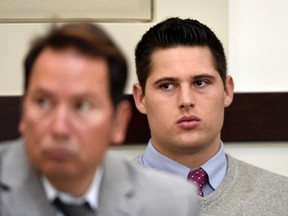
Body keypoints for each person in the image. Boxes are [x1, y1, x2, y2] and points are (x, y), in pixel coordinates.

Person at [0, 22, 200, 216]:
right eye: (43, 102)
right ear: (24, 110)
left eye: (82, 106)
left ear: (118, 122)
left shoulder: (172, 204)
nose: (59, 128)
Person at [132, 17, 288, 215]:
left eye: (200, 82)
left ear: (227, 91)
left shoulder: (282, 199)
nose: (186, 100)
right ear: (140, 98)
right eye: (167, 85)